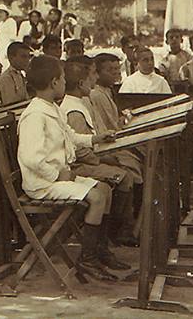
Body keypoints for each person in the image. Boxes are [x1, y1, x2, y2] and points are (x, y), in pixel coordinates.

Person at [17, 55, 118, 281]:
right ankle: (87, 259)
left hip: (56, 178)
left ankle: (98, 251)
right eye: (63, 78)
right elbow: (31, 158)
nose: (65, 82)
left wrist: (95, 139)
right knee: (97, 198)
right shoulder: (35, 115)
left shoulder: (51, 108)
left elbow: (70, 136)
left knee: (105, 189)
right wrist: (57, 174)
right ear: (54, 82)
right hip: (42, 184)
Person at [60, 55, 136, 257]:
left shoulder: (81, 103)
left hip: (86, 160)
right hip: (78, 165)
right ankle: (108, 238)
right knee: (121, 176)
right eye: (93, 74)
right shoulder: (74, 110)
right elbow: (80, 152)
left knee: (118, 176)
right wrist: (102, 160)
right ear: (81, 83)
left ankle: (104, 244)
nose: (95, 79)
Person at [0, 41, 30, 106]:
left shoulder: (20, 75)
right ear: (11, 58)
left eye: (28, 57)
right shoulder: (5, 79)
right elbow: (10, 105)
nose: (27, 60)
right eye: (23, 57)